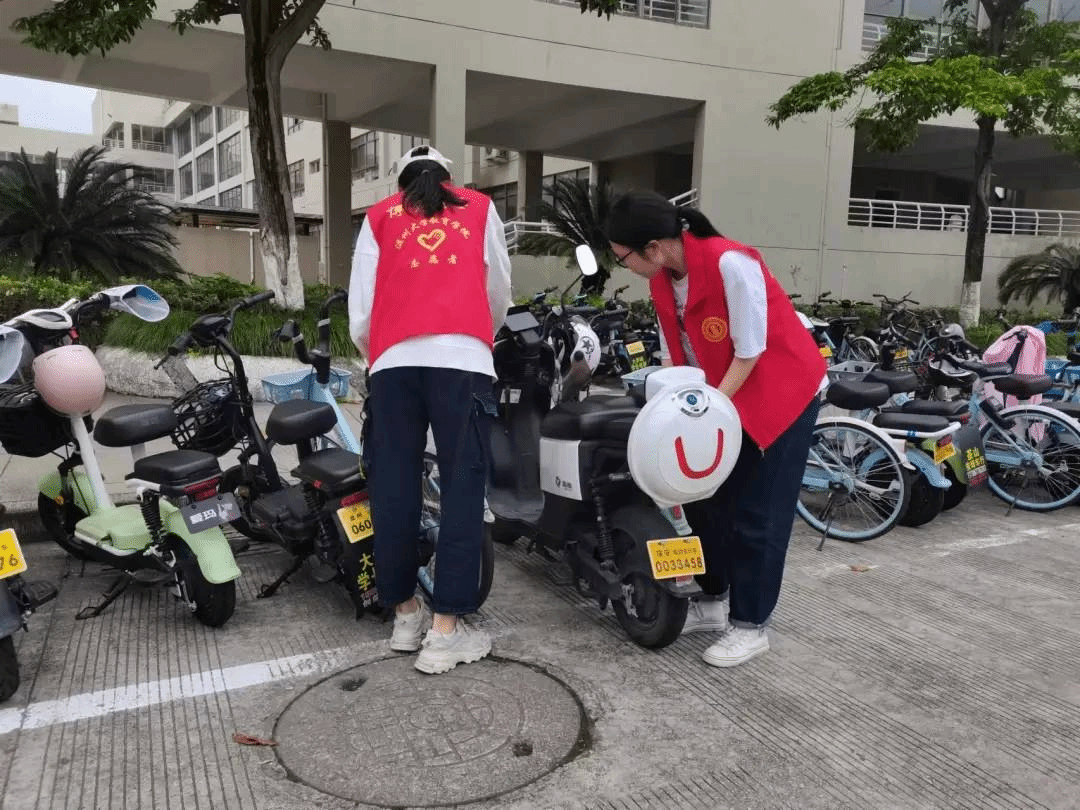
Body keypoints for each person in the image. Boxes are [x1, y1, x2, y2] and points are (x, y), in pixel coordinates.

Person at [604, 191, 824, 668]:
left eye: (623, 257)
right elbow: (673, 351)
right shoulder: (662, 279)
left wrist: (708, 411)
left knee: (759, 515)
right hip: (721, 398)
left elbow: (750, 351)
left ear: (653, 248)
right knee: (705, 500)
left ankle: (751, 625)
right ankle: (713, 599)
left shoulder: (730, 264)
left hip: (781, 394)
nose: (623, 266)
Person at [348, 145, 512, 674]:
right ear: (448, 178)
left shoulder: (379, 216)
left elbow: (361, 306)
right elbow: (498, 288)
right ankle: (445, 630)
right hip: (464, 358)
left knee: (392, 484)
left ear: (400, 184)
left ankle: (404, 614)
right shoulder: (480, 208)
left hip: (393, 361)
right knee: (463, 485)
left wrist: (377, 355)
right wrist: (480, 335)